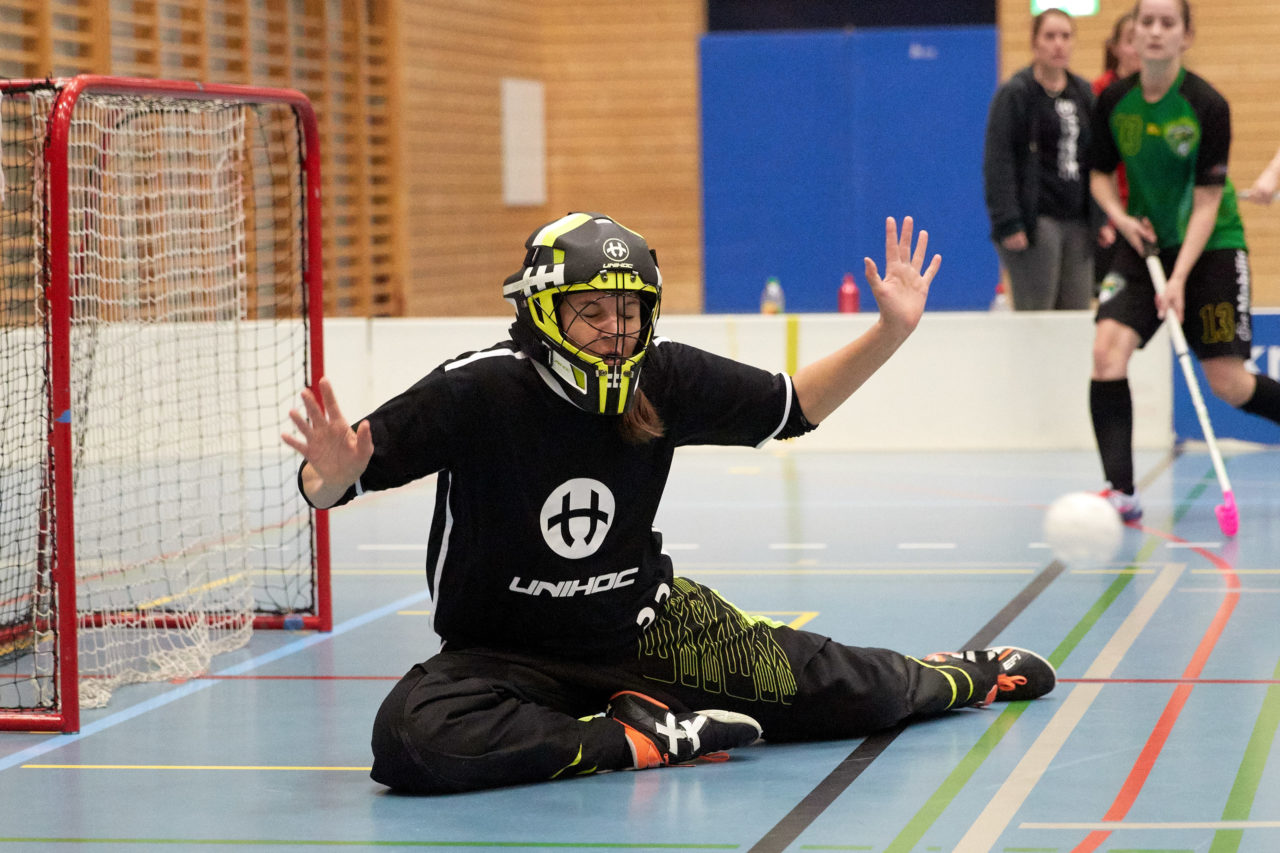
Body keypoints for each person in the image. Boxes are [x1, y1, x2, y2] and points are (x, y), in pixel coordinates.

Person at [282, 211, 1056, 794]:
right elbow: (341, 475)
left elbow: (793, 408)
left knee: (860, 690)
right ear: (545, 311)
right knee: (409, 739)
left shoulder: (664, 376)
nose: (616, 331)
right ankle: (641, 738)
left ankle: (960, 672)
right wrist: (330, 473)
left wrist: (890, 332)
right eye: (594, 310)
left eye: (630, 311)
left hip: (648, 628)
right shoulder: (482, 387)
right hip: (503, 658)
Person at [1088, 0, 1280, 522]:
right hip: (1144, 240)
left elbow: (1207, 201)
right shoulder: (1113, 103)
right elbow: (1100, 175)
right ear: (1132, 34)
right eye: (1145, 22)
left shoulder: (1206, 105)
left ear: (1185, 37)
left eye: (1166, 23)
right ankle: (1121, 491)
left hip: (1212, 242)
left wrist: (1177, 280)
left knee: (1229, 383)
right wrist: (1121, 218)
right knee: (1107, 353)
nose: (1154, 32)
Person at [983, 8, 1099, 310]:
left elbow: (1096, 159)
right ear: (1035, 43)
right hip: (1037, 220)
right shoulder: (1016, 94)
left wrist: (1101, 217)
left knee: (1075, 313)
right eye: (1050, 36)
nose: (1058, 44)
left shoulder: (1083, 93)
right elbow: (999, 161)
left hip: (1077, 220)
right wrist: (1008, 222)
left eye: (1065, 36)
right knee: (1037, 313)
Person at [1092, 12, 1140, 288]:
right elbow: (1094, 165)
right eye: (1130, 40)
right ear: (1116, 48)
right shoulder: (1099, 93)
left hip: (1148, 215)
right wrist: (1105, 218)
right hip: (1112, 214)